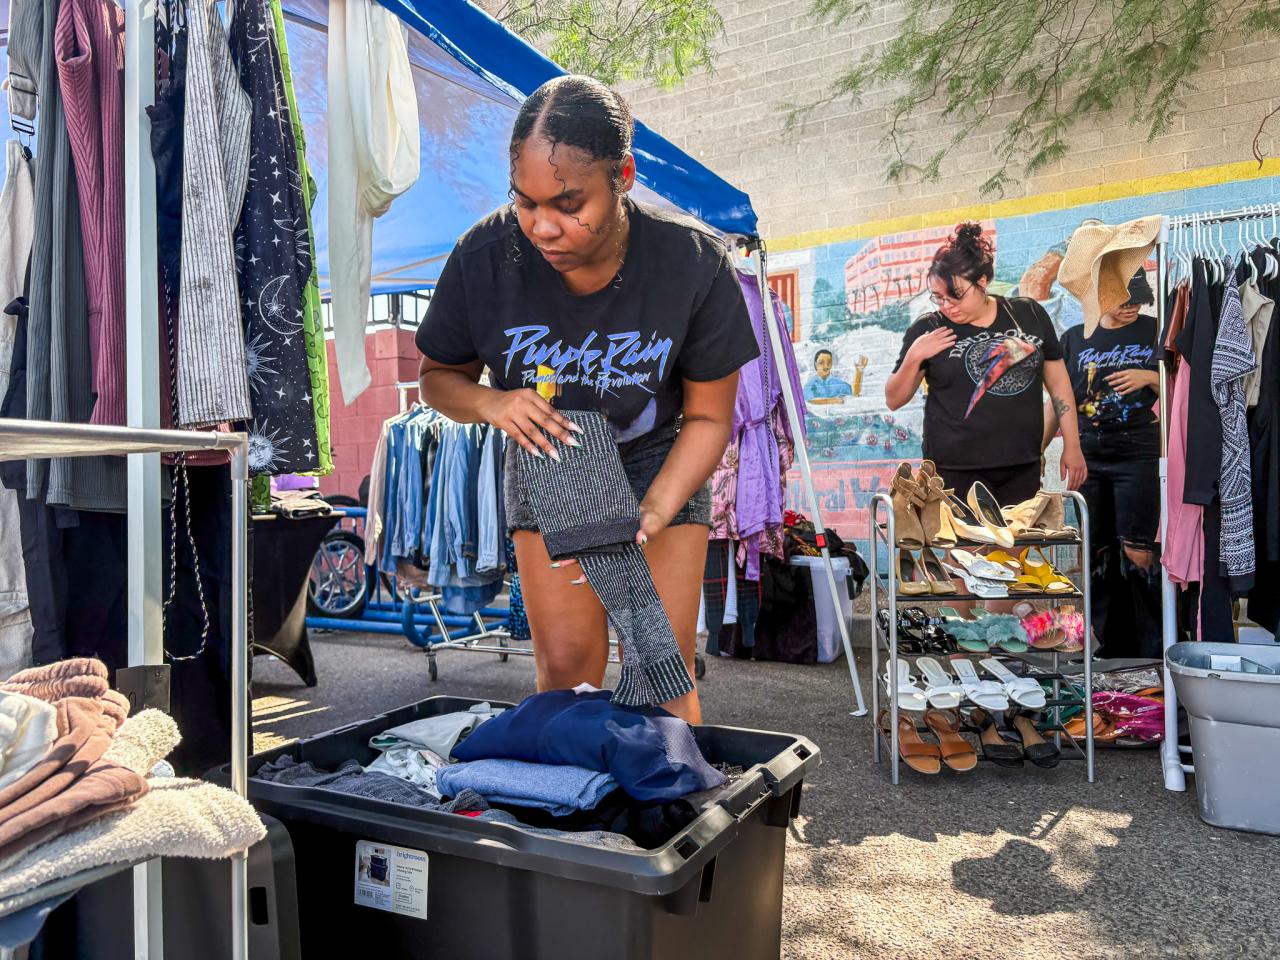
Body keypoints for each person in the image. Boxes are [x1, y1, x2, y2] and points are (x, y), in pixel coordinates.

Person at [414, 76, 758, 723]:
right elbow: (439, 378)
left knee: (661, 665)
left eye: (570, 203)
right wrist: (493, 404)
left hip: (659, 454)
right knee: (567, 671)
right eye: (525, 202)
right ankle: (576, 816)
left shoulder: (692, 264)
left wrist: (658, 507)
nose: (544, 226)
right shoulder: (483, 257)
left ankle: (666, 805)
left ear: (622, 174)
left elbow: (711, 416)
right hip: (552, 458)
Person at [885, 222, 1086, 507]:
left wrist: (1072, 444)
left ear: (982, 282)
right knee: (961, 551)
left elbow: (1058, 384)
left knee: (1012, 549)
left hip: (1020, 465)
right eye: (938, 297)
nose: (947, 306)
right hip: (952, 472)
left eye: (956, 296)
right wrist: (915, 355)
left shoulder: (1028, 314)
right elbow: (894, 399)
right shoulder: (928, 329)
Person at [1046, 269, 1161, 657]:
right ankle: (1107, 647)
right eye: (1124, 299)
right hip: (1089, 458)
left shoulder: (1155, 331)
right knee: (1096, 552)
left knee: (1138, 551)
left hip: (1139, 456)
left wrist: (1150, 376)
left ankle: (1150, 648)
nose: (1133, 307)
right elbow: (1059, 403)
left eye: (1138, 300)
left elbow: (1186, 388)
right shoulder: (1075, 340)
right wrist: (1035, 454)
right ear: (1099, 297)